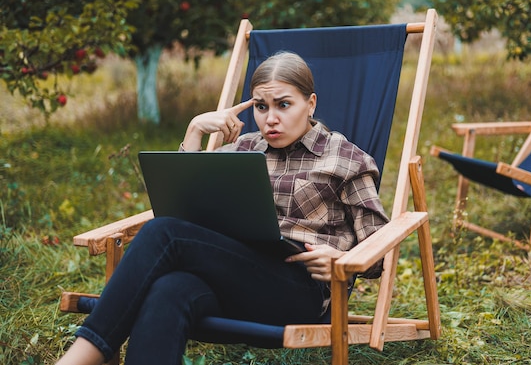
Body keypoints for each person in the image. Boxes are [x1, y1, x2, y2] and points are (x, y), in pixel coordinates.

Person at [56, 51, 389, 365]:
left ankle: (79, 358)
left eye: (283, 105)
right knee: (170, 289)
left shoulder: (344, 158)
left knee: (164, 233)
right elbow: (184, 208)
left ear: (310, 103)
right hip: (237, 277)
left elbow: (380, 249)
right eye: (260, 106)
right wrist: (195, 131)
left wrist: (342, 261)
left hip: (300, 289)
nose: (270, 119)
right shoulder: (244, 148)